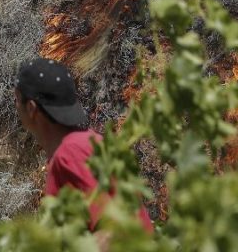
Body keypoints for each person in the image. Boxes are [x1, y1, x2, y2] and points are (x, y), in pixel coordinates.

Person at [13, 57, 153, 235]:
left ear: (32, 108)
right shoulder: (89, 142)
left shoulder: (70, 153)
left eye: (17, 99)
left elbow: (111, 233)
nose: (16, 106)